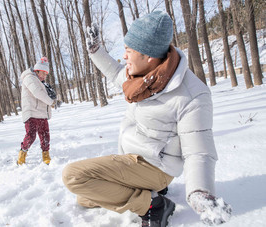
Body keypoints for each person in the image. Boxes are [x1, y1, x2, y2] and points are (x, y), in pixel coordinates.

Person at [62, 11, 232, 227]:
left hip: (156, 167)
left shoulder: (191, 94)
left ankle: (153, 205)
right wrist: (96, 51)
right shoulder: (142, 77)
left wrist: (200, 192)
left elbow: (199, 151)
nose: (124, 57)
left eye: (128, 51)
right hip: (134, 157)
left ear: (148, 55)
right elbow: (116, 74)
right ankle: (148, 192)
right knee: (85, 196)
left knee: (74, 177)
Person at [17, 57, 56, 166]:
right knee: (31, 135)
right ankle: (22, 153)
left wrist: (51, 94)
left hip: (42, 113)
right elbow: (37, 92)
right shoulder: (29, 77)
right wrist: (51, 101)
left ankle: (46, 154)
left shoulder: (40, 82)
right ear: (36, 70)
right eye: (42, 73)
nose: (44, 76)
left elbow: (43, 93)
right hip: (31, 112)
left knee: (45, 135)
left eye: (46, 74)